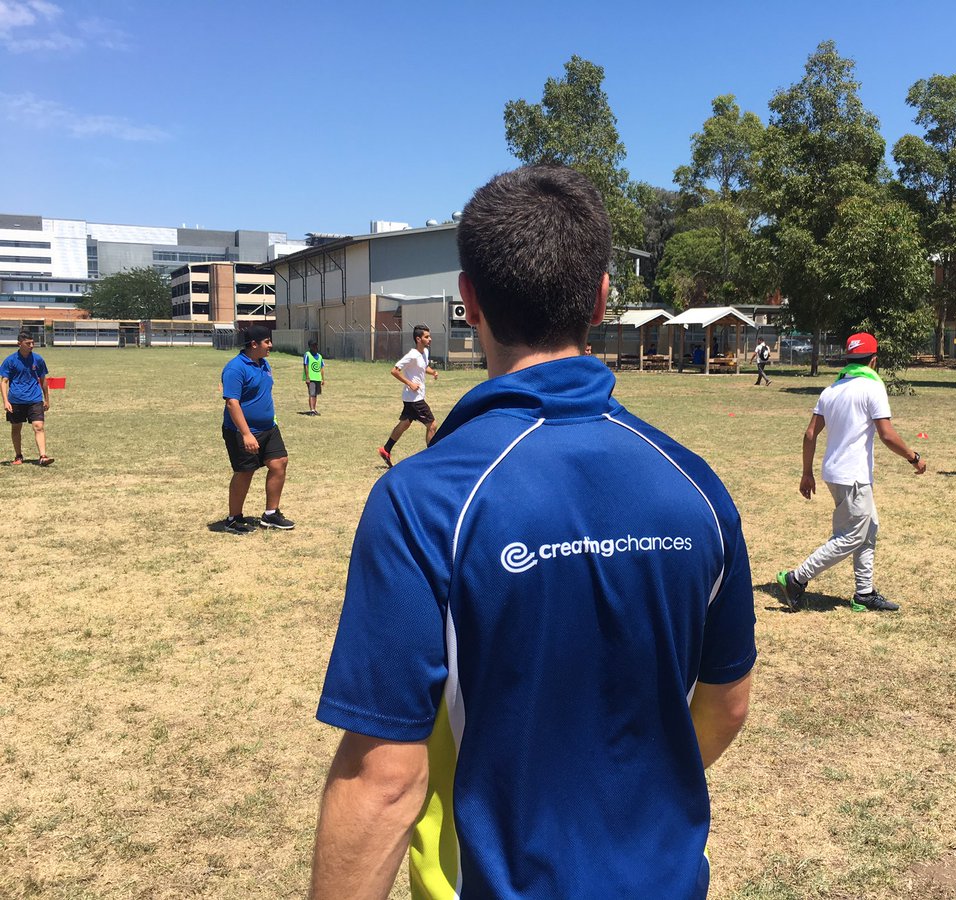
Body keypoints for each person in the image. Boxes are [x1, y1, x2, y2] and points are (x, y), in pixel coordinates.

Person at [311, 165, 755, 900]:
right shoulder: (697, 487)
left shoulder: (421, 501)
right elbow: (727, 704)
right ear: (603, 295)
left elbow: (383, 779)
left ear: (468, 300)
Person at [776, 333, 927, 613]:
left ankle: (864, 593)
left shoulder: (832, 390)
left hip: (834, 473)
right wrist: (913, 457)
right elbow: (886, 434)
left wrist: (806, 472)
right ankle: (796, 578)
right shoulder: (872, 387)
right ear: (873, 360)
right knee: (850, 536)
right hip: (853, 475)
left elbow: (810, 434)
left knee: (869, 529)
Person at [219, 324, 293, 533]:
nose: (270, 345)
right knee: (245, 472)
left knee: (279, 463)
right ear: (254, 344)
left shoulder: (264, 364)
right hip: (243, 431)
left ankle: (271, 515)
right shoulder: (235, 368)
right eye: (267, 341)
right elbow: (232, 403)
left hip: (269, 428)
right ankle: (233, 519)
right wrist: (246, 434)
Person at [377, 325, 438, 467]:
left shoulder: (425, 353)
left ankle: (386, 449)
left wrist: (433, 372)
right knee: (432, 425)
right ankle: (431, 459)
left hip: (412, 398)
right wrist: (410, 383)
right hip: (414, 398)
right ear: (418, 339)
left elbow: (424, 367)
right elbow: (395, 371)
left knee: (404, 423)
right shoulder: (412, 355)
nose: (430, 339)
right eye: (426, 337)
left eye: (429, 336)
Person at [1, 331, 53, 466]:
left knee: (39, 426)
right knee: (16, 428)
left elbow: (43, 380)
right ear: (19, 344)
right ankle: (18, 456)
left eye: (32, 343)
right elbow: (4, 381)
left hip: (35, 398)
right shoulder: (10, 360)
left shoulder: (38, 359)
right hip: (16, 400)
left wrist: (46, 399)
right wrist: (5, 401)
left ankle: (43, 456)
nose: (31, 345)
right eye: (28, 343)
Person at [303, 339, 325, 415]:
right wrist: (307, 377)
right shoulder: (307, 355)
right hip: (311, 378)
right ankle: (311, 410)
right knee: (311, 393)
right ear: (310, 347)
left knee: (315, 394)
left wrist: (322, 378)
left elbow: (322, 368)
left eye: (316, 345)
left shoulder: (320, 356)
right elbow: (305, 365)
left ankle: (314, 409)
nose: (315, 347)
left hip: (317, 377)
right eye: (313, 346)